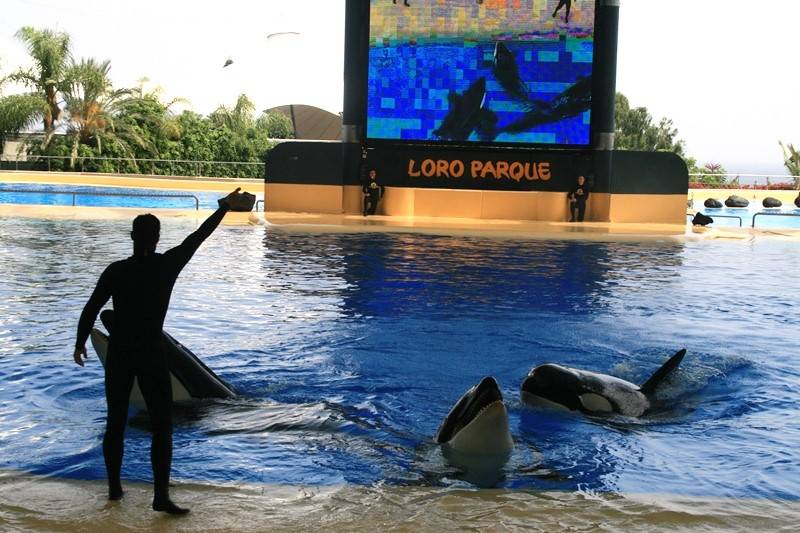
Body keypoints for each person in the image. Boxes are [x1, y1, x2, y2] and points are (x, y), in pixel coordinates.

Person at [73, 187, 246, 515]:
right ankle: (160, 496)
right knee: (163, 428)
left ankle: (114, 489)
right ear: (157, 238)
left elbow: (92, 307)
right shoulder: (166, 266)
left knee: (115, 422)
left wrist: (80, 342)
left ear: (132, 236)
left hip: (123, 353)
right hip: (152, 353)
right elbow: (197, 238)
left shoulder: (116, 271)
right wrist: (223, 209)